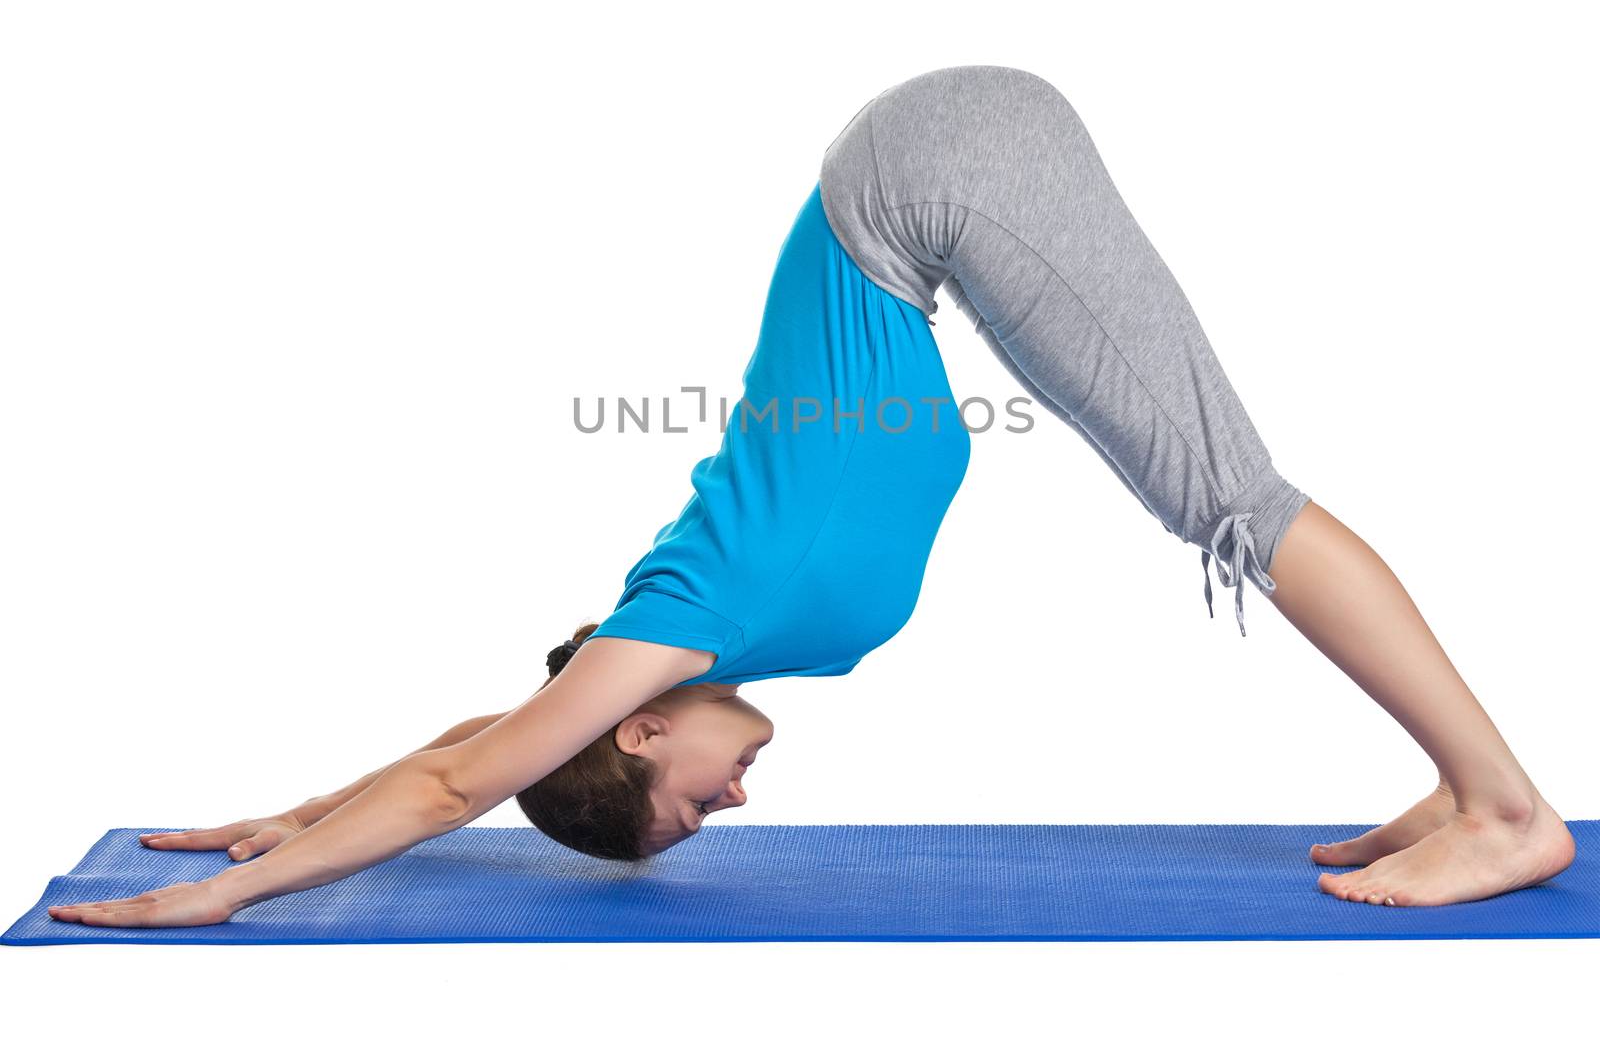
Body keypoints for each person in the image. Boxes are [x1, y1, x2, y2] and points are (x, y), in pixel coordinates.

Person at [47, 66, 1573, 930]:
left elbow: (464, 786)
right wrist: (294, 813)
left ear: (635, 729)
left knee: (1234, 502)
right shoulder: (679, 645)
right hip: (929, 188)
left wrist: (223, 905)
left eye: (693, 805)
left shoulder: (680, 627)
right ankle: (1460, 782)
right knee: (1222, 499)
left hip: (932, 178)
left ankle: (1505, 811)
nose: (738, 799)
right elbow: (477, 751)